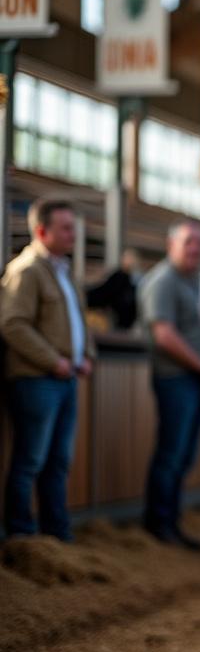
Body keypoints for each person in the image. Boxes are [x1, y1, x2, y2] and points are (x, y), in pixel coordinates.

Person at [1, 199, 95, 541]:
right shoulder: (26, 271)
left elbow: (79, 320)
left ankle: (56, 535)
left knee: (57, 462)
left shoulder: (63, 271)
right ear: (42, 231)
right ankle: (22, 536)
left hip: (64, 378)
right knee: (31, 461)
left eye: (74, 228)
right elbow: (13, 324)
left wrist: (87, 354)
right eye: (66, 228)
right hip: (36, 380)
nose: (73, 235)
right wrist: (53, 360)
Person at [139, 221, 200, 549]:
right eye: (189, 242)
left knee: (183, 455)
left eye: (199, 243)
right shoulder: (163, 281)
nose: (195, 249)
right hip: (175, 378)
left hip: (195, 380)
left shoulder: (195, 282)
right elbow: (164, 336)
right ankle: (159, 524)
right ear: (170, 244)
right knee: (172, 454)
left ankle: (170, 521)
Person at [86, 248, 143, 330]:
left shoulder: (134, 279)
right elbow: (104, 292)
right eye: (126, 258)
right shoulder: (120, 277)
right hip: (118, 320)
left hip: (123, 322)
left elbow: (104, 293)